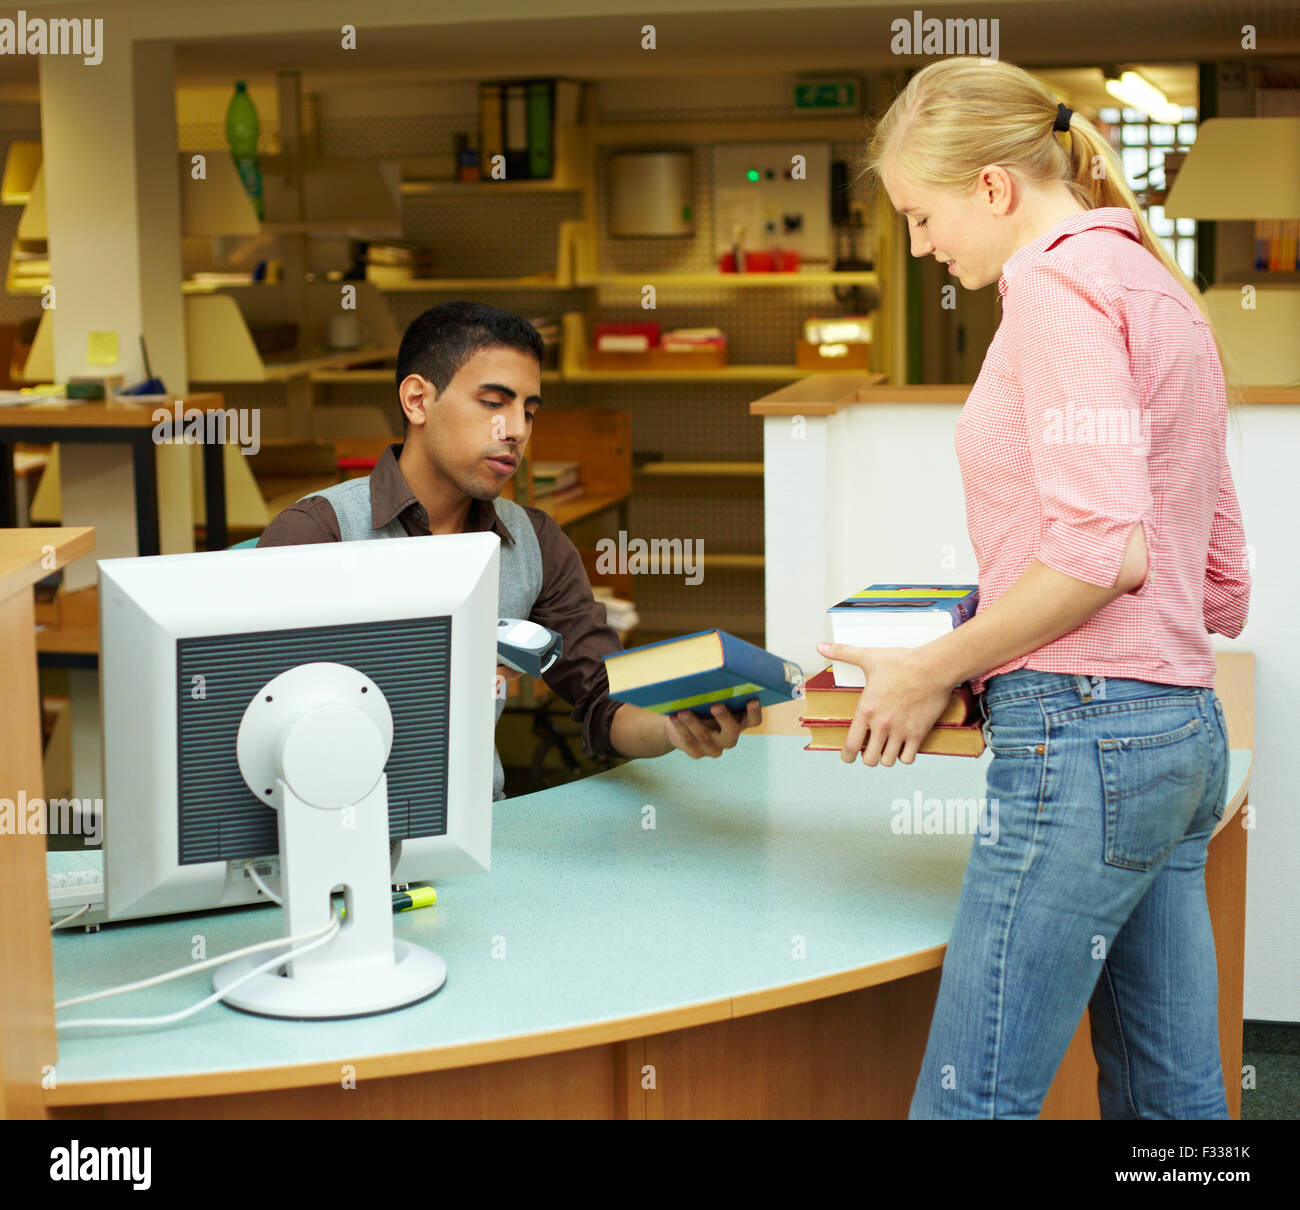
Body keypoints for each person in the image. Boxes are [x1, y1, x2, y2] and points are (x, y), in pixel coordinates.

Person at [818, 58, 1251, 1119]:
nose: (922, 247)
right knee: (1171, 1103)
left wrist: (936, 664)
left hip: (1088, 740)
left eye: (922, 217)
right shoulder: (1158, 287)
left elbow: (1104, 554)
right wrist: (989, 618)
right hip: (1181, 736)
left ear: (995, 189)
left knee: (973, 1103)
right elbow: (1221, 583)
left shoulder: (1055, 286)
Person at [259, 301, 761, 799]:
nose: (517, 429)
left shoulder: (535, 541)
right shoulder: (315, 533)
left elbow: (605, 700)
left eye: (528, 410)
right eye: (493, 403)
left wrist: (674, 728)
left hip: (480, 833)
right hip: (330, 831)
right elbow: (253, 718)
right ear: (417, 401)